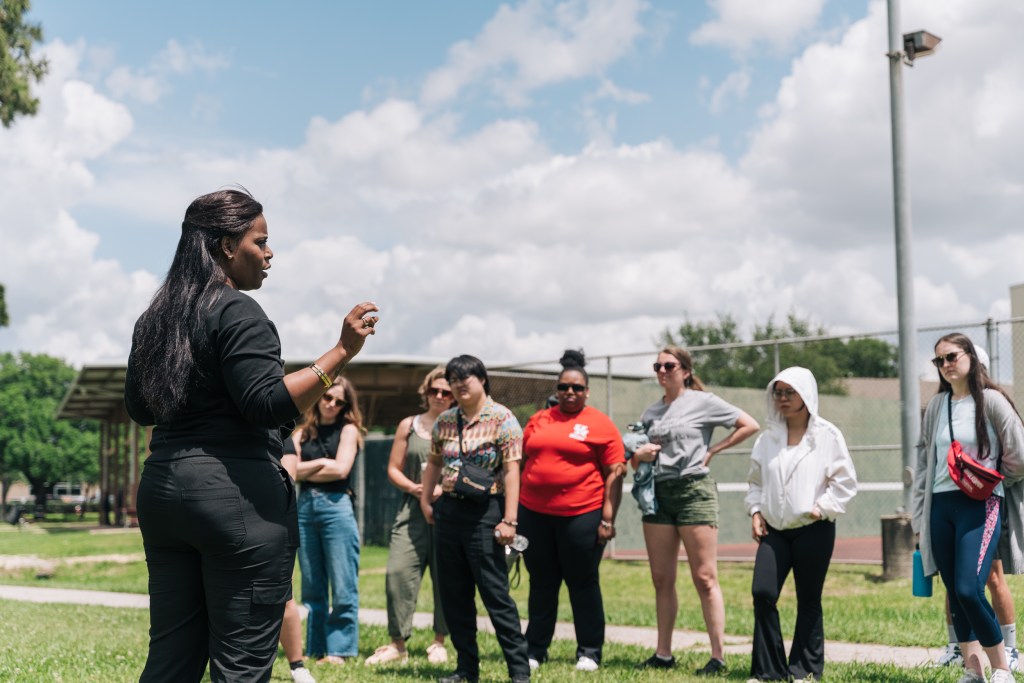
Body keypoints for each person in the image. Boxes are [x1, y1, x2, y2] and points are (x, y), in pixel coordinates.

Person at [125, 188, 378, 682]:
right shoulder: (238, 311)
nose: (269, 253)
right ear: (226, 245)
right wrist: (340, 352)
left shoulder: (155, 318)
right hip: (234, 499)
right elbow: (266, 404)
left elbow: (139, 408)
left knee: (171, 659)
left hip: (162, 493)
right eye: (260, 241)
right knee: (240, 665)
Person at [631, 346, 759, 675]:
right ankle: (663, 654)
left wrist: (714, 449)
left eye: (669, 365)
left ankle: (718, 657)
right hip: (658, 494)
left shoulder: (704, 402)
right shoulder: (651, 411)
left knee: (704, 577)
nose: (662, 371)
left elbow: (749, 424)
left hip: (693, 491)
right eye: (657, 365)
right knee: (661, 578)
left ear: (685, 371)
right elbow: (634, 458)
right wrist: (639, 455)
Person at [912, 333, 1024, 683]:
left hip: (981, 503)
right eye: (939, 361)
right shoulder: (935, 407)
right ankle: (972, 669)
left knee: (968, 588)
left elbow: (1019, 455)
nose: (945, 365)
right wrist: (919, 517)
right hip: (940, 505)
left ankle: (1002, 666)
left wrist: (993, 479)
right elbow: (922, 462)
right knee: (954, 592)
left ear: (971, 358)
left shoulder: (991, 401)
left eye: (951, 357)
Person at [421, 354, 531, 683]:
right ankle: (466, 670)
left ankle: (519, 672)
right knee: (454, 595)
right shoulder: (445, 421)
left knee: (496, 594)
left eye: (465, 379)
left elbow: (512, 472)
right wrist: (427, 501)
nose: (458, 385)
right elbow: (434, 463)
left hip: (487, 512)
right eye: (454, 379)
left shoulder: (503, 419)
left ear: (482, 379)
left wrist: (510, 520)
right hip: (449, 511)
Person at [744, 367, 858, 683]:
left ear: (806, 396)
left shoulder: (828, 436)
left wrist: (821, 509)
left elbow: (845, 483)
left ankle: (804, 670)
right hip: (774, 531)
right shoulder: (766, 439)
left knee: (809, 598)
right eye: (777, 392)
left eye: (788, 392)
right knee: (762, 592)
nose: (781, 398)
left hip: (814, 529)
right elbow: (754, 483)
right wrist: (755, 511)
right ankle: (768, 670)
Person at [517, 349, 625, 673]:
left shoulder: (601, 425)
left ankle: (589, 652)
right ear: (557, 388)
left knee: (583, 583)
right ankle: (535, 649)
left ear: (587, 391)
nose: (570, 392)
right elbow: (521, 464)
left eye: (577, 388)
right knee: (542, 583)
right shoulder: (538, 420)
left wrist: (607, 519)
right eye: (564, 387)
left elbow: (615, 475)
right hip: (534, 514)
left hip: (582, 514)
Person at [365, 367, 453, 666]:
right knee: (398, 573)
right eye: (434, 391)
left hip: (449, 510)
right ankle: (397, 644)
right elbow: (392, 469)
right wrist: (416, 488)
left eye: (446, 392)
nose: (439, 396)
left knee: (446, 577)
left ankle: (440, 641)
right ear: (426, 392)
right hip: (411, 509)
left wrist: (443, 487)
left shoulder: (459, 425)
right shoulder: (409, 425)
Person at [291, 376, 364, 665]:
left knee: (343, 581)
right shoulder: (300, 433)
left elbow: (342, 469)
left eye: (339, 401)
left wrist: (308, 468)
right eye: (327, 397)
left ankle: (339, 650)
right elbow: (290, 471)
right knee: (312, 585)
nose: (332, 404)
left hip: (336, 507)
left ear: (346, 405)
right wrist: (322, 464)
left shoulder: (348, 429)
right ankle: (316, 648)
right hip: (304, 508)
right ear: (318, 397)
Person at [280, 441, 316, 683]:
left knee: (283, 596)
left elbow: (288, 478)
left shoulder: (277, 428)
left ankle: (297, 665)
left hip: (271, 521)